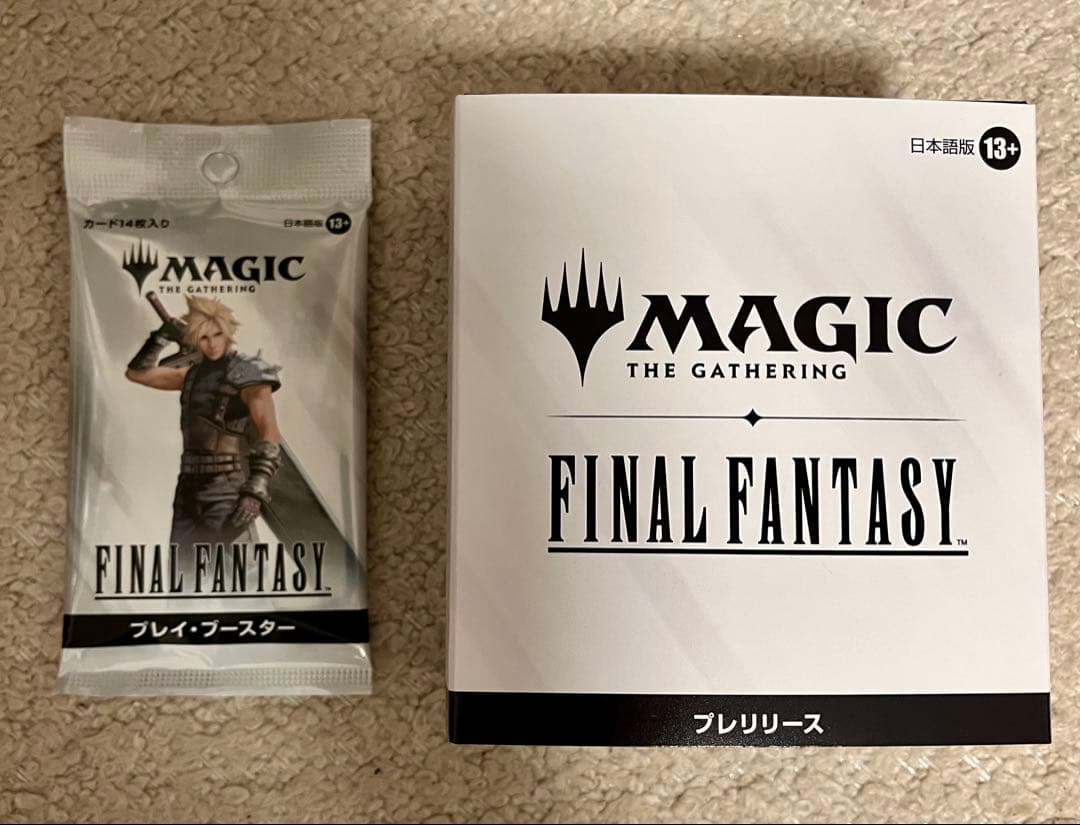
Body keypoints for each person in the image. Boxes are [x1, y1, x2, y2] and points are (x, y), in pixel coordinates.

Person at [125, 296, 283, 551]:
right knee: (183, 568)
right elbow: (137, 374)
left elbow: (269, 432)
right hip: (188, 486)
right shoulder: (191, 374)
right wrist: (161, 337)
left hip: (226, 486)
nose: (212, 344)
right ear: (194, 339)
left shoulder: (247, 372)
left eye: (217, 334)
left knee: (237, 569)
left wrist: (256, 487)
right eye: (203, 338)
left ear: (228, 332)